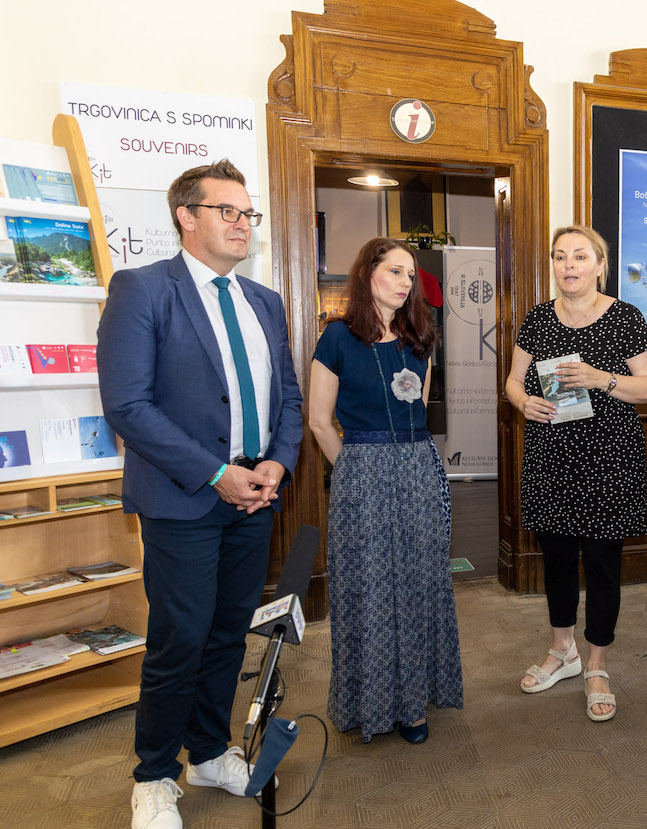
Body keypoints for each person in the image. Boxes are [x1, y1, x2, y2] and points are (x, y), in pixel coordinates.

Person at [97, 159, 303, 829]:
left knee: (225, 633)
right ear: (187, 216)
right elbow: (128, 405)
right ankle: (154, 773)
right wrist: (217, 472)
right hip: (185, 497)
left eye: (249, 214)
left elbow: (288, 400)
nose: (243, 224)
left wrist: (276, 463)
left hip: (254, 497)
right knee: (179, 638)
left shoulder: (263, 301)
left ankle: (210, 749)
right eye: (228, 211)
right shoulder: (143, 289)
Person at [307, 237, 462, 745]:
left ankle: (413, 705)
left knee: (420, 584)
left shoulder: (421, 337)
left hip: (418, 466)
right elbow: (319, 422)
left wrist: (404, 465)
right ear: (367, 273)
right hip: (363, 471)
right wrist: (356, 469)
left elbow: (418, 413)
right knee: (370, 590)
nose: (405, 282)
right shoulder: (336, 338)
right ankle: (368, 703)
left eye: (410, 275)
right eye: (395, 271)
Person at [504, 224, 647, 722]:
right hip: (551, 456)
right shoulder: (538, 319)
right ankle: (562, 651)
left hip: (609, 460)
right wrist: (522, 401)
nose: (568, 265)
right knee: (556, 561)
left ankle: (596, 664)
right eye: (559, 256)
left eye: (579, 256)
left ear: (599, 265)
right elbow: (511, 379)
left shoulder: (626, 318)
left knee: (601, 566)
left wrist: (599, 378)